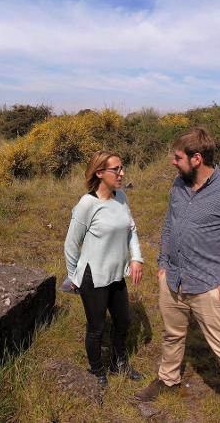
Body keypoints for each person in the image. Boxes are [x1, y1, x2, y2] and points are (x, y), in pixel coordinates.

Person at [135, 128, 220, 423]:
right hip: (174, 278)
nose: (172, 162)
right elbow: (169, 226)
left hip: (208, 284)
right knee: (172, 335)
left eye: (177, 157)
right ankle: (168, 379)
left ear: (196, 159)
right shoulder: (178, 185)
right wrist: (163, 262)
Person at [64, 150, 145, 387]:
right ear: (100, 173)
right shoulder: (87, 204)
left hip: (117, 274)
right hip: (93, 277)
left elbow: (131, 229)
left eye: (122, 167)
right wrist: (74, 277)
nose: (122, 173)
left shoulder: (121, 198)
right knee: (96, 328)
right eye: (116, 169)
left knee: (123, 322)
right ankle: (97, 370)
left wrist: (136, 258)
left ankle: (118, 363)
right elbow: (70, 244)